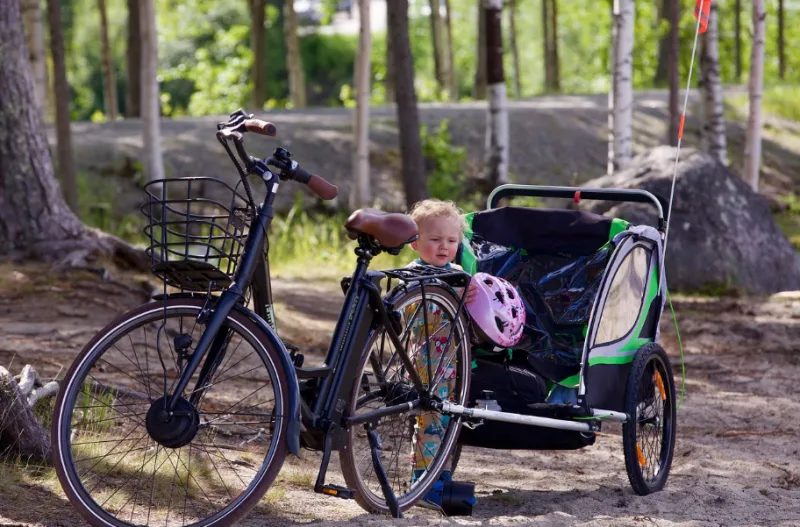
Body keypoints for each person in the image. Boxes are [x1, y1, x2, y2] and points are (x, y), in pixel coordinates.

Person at [404, 199, 476, 508]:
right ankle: (422, 480)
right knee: (430, 420)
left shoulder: (457, 272)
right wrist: (448, 296)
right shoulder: (413, 274)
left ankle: (441, 474)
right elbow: (413, 315)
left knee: (449, 419)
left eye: (451, 240)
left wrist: (470, 296)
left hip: (453, 362)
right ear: (414, 242)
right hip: (426, 362)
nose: (444, 247)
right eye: (435, 239)